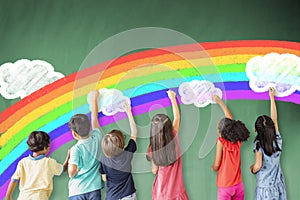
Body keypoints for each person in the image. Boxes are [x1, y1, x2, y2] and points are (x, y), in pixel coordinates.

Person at [146, 90, 189, 200]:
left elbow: (154, 170)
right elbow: (177, 118)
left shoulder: (152, 149)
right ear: (169, 127)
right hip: (177, 191)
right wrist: (172, 98)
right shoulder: (173, 137)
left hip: (161, 193)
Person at [5, 131, 69, 200]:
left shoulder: (23, 162)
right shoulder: (48, 162)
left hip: (23, 197)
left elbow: (14, 180)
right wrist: (69, 156)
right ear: (45, 147)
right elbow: (63, 169)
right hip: (40, 197)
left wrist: (8, 196)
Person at [250, 87, 287, 199]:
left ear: (256, 130)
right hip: (278, 184)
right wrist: (272, 98)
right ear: (271, 128)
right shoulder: (277, 139)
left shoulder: (258, 144)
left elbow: (258, 165)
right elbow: (274, 120)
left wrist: (252, 168)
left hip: (265, 188)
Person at [211, 95, 250, 200]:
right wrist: (219, 101)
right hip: (239, 185)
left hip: (225, 187)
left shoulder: (221, 142)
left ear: (222, 132)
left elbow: (217, 164)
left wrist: (213, 168)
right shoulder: (237, 140)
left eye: (218, 129)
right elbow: (230, 121)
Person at [67, 90, 104, 200]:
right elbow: (95, 118)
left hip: (77, 190)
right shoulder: (97, 136)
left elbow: (71, 173)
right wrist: (94, 99)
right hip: (94, 188)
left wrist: (71, 164)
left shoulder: (76, 149)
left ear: (74, 134)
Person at [99, 102, 138, 200]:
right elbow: (134, 132)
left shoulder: (103, 158)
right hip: (128, 195)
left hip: (112, 196)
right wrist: (129, 112)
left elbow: (104, 178)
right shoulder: (127, 154)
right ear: (122, 144)